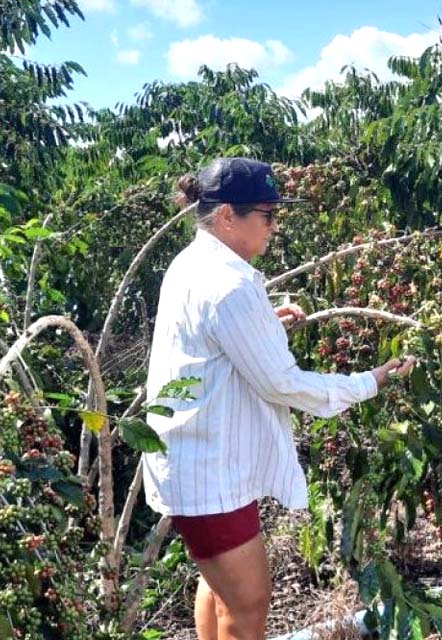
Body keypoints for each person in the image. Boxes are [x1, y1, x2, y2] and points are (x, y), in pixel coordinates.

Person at [142, 157, 415, 640]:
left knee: (221, 589)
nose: (274, 226)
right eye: (267, 215)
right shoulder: (229, 285)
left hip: (198, 463)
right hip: (211, 470)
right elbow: (283, 384)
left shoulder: (194, 263)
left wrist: (264, 323)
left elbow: (214, 342)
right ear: (228, 215)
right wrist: (368, 382)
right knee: (248, 604)